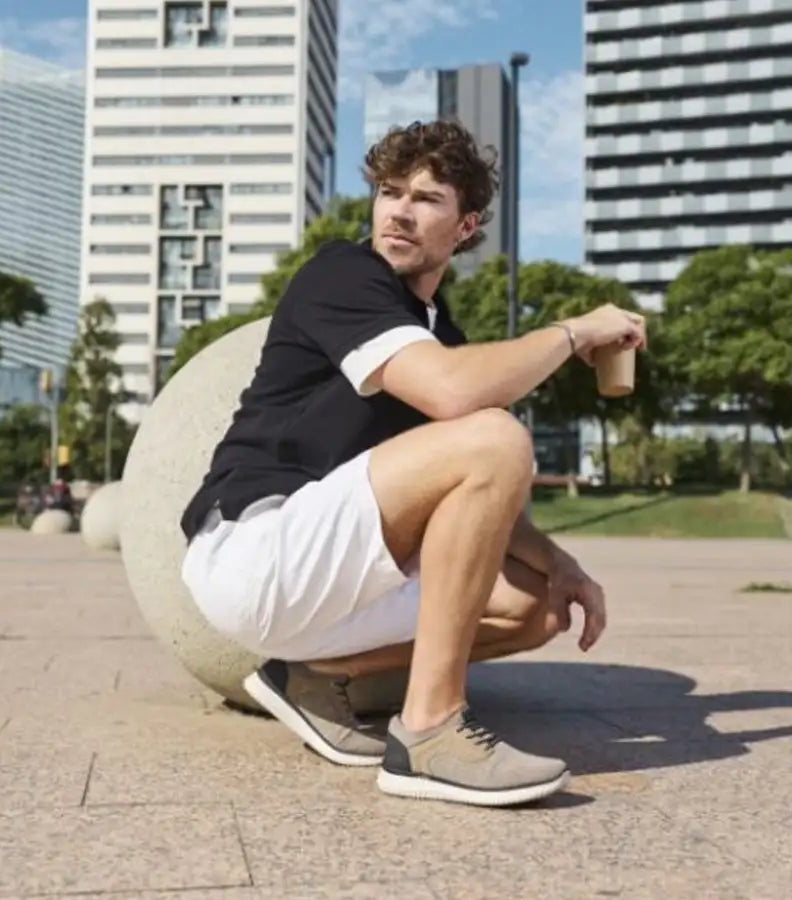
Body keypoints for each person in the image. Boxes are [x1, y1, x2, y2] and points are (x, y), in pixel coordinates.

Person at [179, 120, 647, 807]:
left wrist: (562, 566)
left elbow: (472, 492)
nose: (399, 211)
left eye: (426, 199)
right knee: (494, 435)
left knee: (536, 608)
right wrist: (573, 332)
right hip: (259, 548)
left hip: (330, 572)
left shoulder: (437, 333)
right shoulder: (343, 274)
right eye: (390, 192)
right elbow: (458, 402)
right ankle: (430, 733)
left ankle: (311, 678)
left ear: (466, 226)